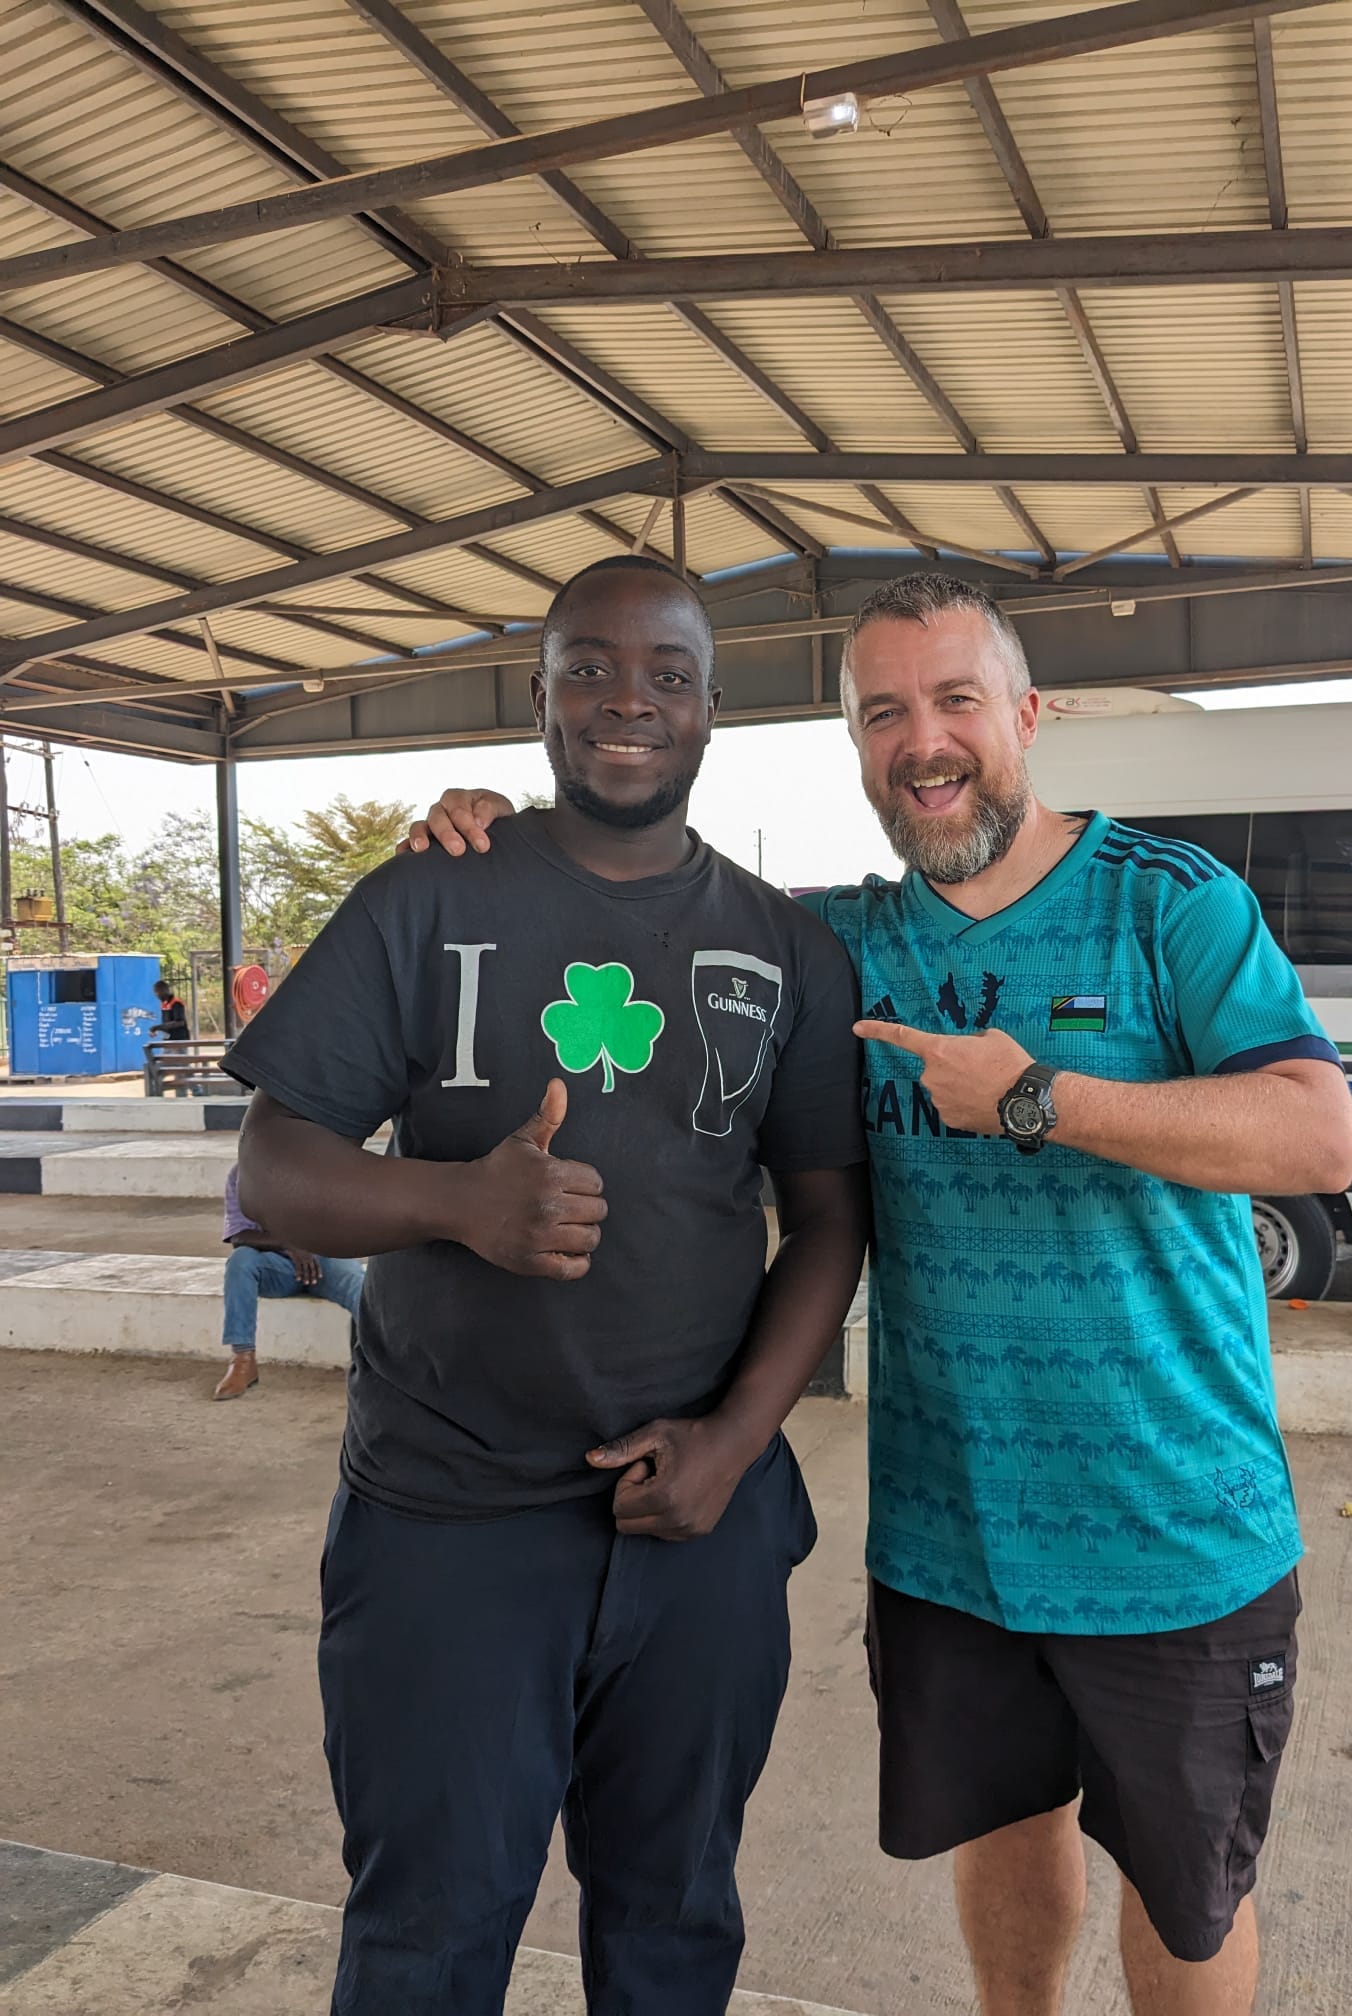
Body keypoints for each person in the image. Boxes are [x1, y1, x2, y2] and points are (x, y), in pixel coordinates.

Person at [411, 570, 1352, 2016]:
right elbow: (646, 901)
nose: (923, 741)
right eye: (882, 713)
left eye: (956, 701)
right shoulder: (838, 941)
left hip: (1173, 1537)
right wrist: (498, 828)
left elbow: (1314, 1131)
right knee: (1006, 1835)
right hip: (950, 1541)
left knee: (1187, 1886)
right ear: (853, 743)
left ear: (1027, 714)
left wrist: (1038, 1097)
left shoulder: (1170, 903)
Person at [224, 554, 869, 2016]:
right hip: (446, 1530)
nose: (624, 700)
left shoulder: (787, 947)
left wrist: (736, 1443)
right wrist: (461, 1205)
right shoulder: (426, 900)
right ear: (540, 694)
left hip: (698, 1531)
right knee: (428, 1939)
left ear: (712, 707)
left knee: (674, 1926)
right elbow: (276, 1162)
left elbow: (827, 1220)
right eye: (587, 666)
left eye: (665, 673)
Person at [216, 1166, 365, 1400]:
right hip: (277, 1266)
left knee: (362, 1289)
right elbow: (239, 1236)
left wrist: (310, 1247)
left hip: (324, 1259)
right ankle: (242, 1360)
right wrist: (290, 1245)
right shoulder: (242, 1174)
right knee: (240, 1261)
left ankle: (374, 1366)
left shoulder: (320, 1166)